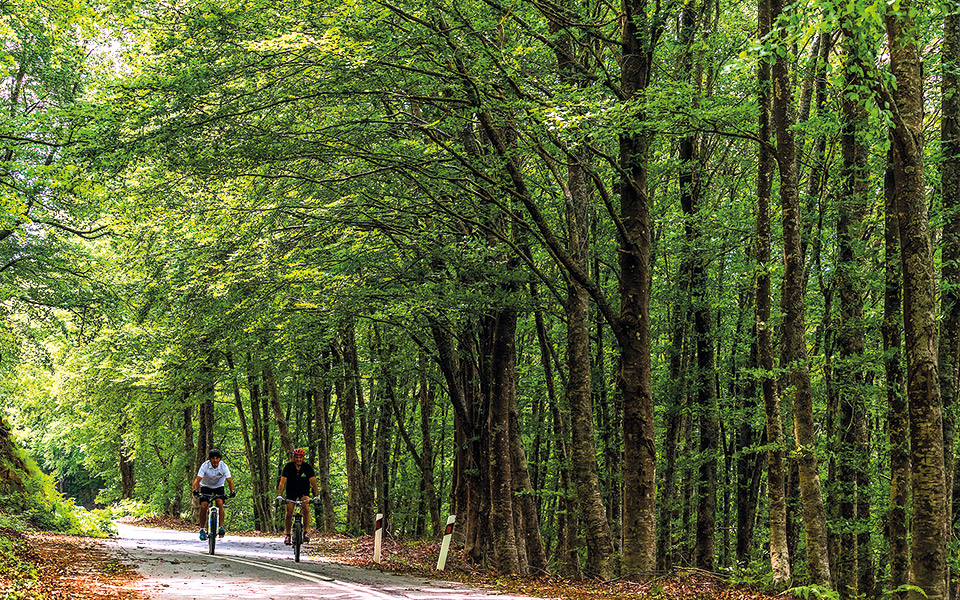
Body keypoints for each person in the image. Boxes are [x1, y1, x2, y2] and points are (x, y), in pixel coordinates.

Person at [276, 447, 319, 545]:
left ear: (303, 458)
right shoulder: (288, 467)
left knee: (306, 509)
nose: (298, 459)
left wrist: (316, 495)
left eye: (300, 457)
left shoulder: (307, 467)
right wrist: (279, 495)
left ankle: (305, 533)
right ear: (294, 457)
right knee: (289, 512)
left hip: (304, 492)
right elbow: (282, 482)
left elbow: (313, 482)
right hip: (291, 492)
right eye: (296, 457)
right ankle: (287, 535)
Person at [191, 448, 236, 541]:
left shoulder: (223, 466)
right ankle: (202, 530)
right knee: (203, 506)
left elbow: (229, 480)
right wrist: (195, 489)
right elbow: (198, 479)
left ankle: (221, 527)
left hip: (219, 486)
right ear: (210, 459)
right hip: (206, 486)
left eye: (217, 458)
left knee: (220, 503)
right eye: (213, 458)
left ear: (219, 459)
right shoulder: (205, 466)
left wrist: (232, 491)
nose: (215, 460)